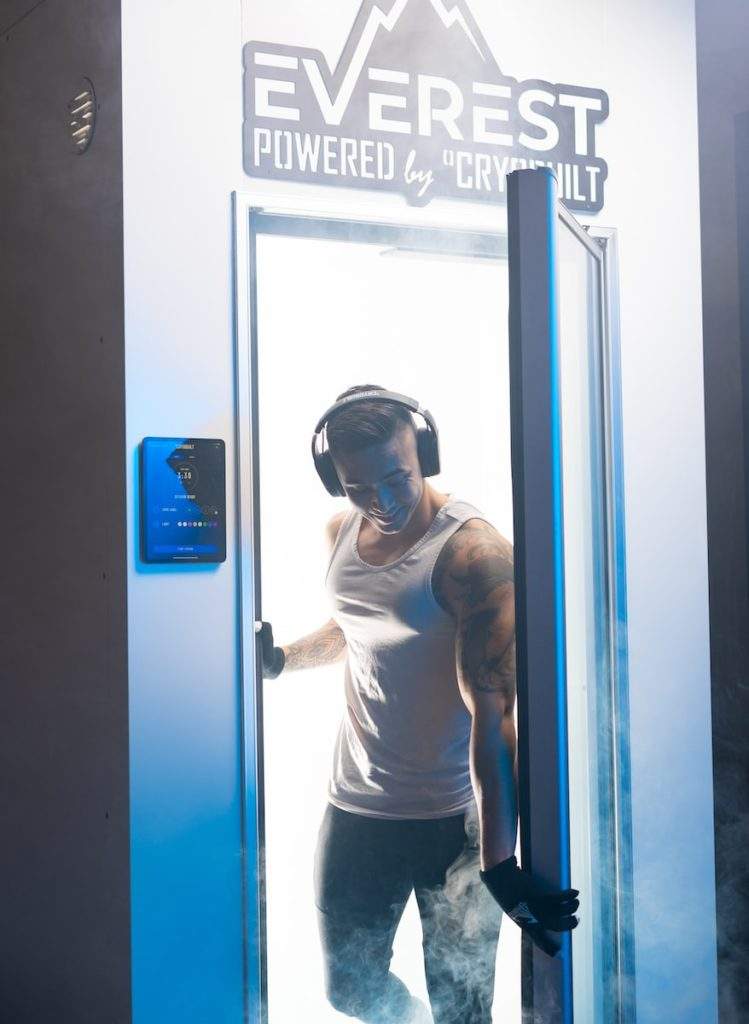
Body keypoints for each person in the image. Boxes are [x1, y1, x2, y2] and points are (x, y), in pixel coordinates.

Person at [259, 385, 579, 1024]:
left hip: (450, 822)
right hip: (356, 808)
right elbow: (358, 630)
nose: (380, 501)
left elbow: (494, 714)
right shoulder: (342, 529)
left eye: (396, 477)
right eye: (357, 486)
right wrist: (284, 660)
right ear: (335, 480)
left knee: (462, 1013)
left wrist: (499, 863)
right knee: (349, 990)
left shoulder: (474, 555)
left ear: (425, 455)